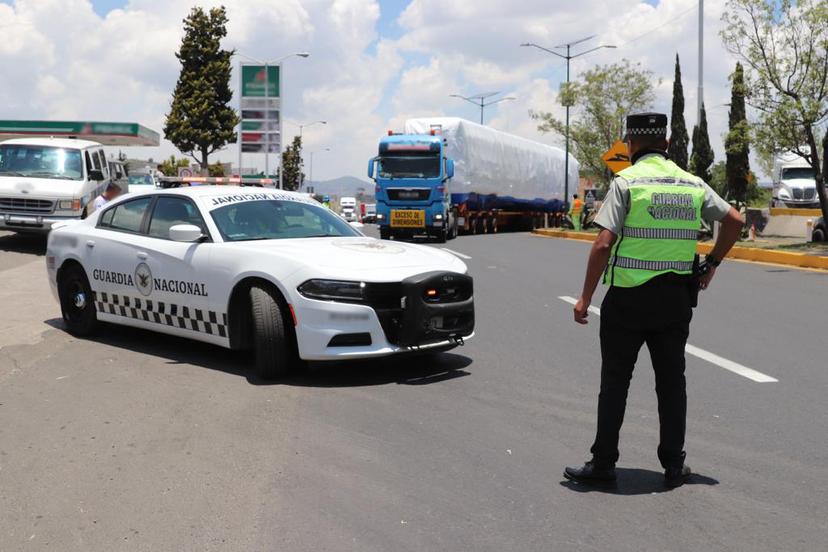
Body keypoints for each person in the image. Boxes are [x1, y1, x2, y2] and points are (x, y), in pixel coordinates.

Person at [564, 112, 744, 488]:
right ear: (665, 144)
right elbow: (735, 221)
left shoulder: (626, 182)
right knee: (671, 383)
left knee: (615, 382)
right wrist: (711, 262)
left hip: (627, 301)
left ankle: (603, 463)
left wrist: (584, 298)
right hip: (674, 300)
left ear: (630, 145)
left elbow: (602, 244)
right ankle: (675, 465)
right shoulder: (691, 183)